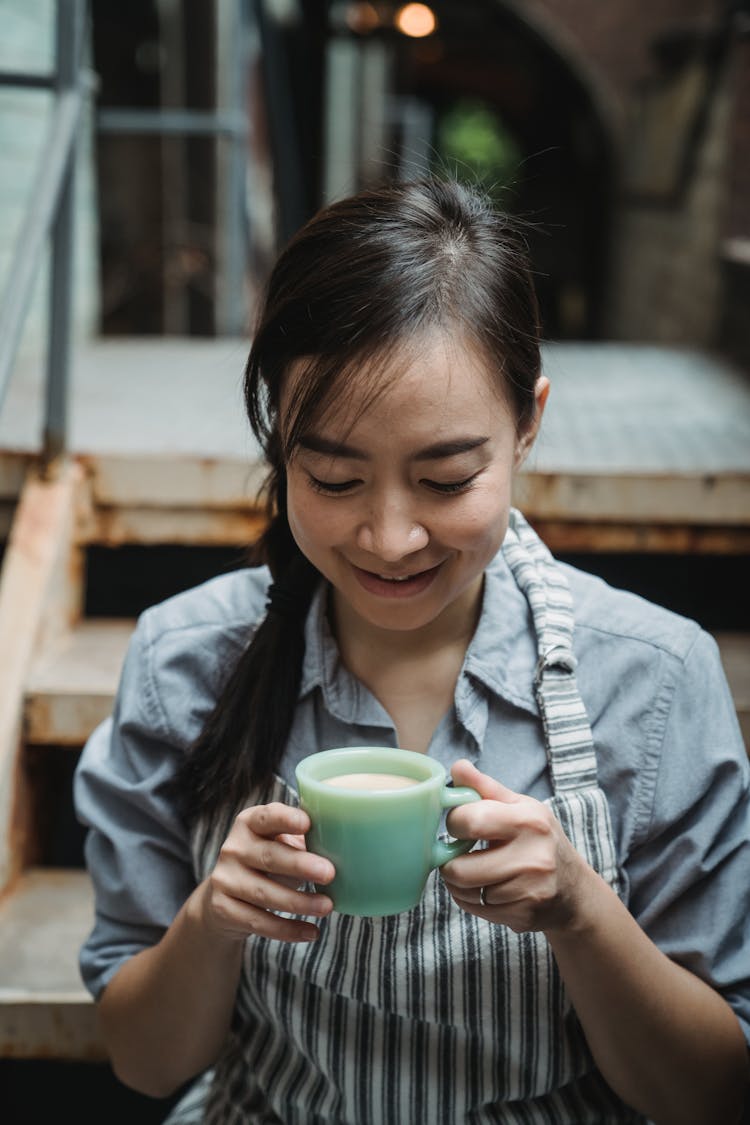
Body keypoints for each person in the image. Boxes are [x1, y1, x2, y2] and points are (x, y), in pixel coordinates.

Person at [74, 178, 750, 1125]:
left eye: (446, 478)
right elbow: (146, 1064)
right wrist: (210, 921)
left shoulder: (654, 676)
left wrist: (580, 910)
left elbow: (714, 1093)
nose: (390, 538)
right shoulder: (185, 659)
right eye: (334, 477)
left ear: (529, 423)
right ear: (278, 437)